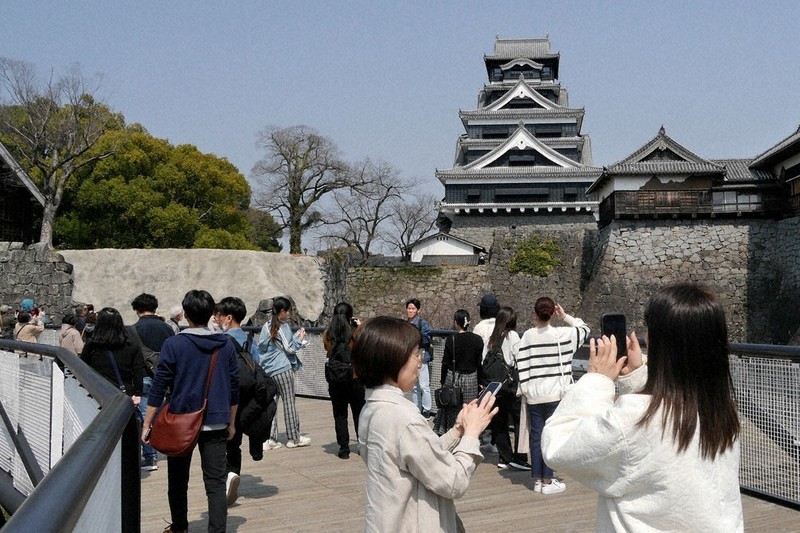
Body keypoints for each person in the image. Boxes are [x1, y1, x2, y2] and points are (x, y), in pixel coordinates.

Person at [542, 283, 743, 531]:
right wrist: (636, 378)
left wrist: (597, 380)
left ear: (657, 341)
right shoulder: (722, 412)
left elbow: (559, 447)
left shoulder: (633, 419)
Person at [353, 316, 498, 532]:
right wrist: (472, 434)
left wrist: (458, 430)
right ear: (393, 359)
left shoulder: (372, 408)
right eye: (415, 354)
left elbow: (420, 456)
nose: (420, 362)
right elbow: (453, 481)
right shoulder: (403, 419)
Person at [141, 290, 239, 533]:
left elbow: (159, 386)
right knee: (215, 483)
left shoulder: (174, 344)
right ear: (210, 315)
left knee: (177, 481)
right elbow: (234, 388)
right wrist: (232, 422)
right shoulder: (225, 344)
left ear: (185, 314)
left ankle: (180, 527)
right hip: (216, 421)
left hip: (180, 421)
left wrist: (147, 423)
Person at [516, 297, 589, 494]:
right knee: (551, 436)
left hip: (534, 394)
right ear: (552, 313)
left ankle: (537, 480)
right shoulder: (561, 334)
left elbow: (520, 361)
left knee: (537, 436)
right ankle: (548, 480)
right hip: (555, 394)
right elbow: (584, 329)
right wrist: (565, 316)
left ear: (535, 313)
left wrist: (527, 387)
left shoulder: (528, 336)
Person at [215, 297, 277, 506]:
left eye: (219, 315)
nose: (216, 318)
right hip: (249, 397)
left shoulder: (222, 341)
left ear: (228, 317)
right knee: (239, 435)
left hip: (228, 399)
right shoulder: (250, 340)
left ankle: (228, 479)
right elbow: (257, 365)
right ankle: (251, 451)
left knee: (229, 442)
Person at [256, 296, 310, 449]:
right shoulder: (282, 326)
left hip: (268, 370)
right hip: (282, 370)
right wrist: (301, 339)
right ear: (282, 312)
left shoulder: (266, 326)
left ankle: (270, 439)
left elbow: (268, 346)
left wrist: (295, 338)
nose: (289, 314)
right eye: (288, 311)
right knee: (289, 403)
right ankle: (294, 438)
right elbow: (289, 348)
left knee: (271, 404)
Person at [131, 292, 175, 472]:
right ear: (155, 308)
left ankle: (150, 457)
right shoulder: (168, 328)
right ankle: (168, 445)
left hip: (144, 377)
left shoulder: (133, 330)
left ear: (136, 310)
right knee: (164, 414)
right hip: (167, 376)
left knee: (145, 416)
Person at [485, 306, 528, 470]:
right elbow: (519, 358)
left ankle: (504, 457)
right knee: (519, 421)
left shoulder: (492, 338)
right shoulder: (513, 336)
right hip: (511, 386)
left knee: (500, 422)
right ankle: (519, 457)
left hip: (496, 386)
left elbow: (484, 361)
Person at [322, 302, 365, 459]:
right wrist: (359, 326)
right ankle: (361, 444)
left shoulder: (328, 334)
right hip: (354, 378)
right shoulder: (354, 333)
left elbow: (327, 349)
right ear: (349, 316)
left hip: (335, 379)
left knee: (340, 414)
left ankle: (343, 448)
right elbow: (361, 345)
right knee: (359, 412)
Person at [433, 309, 483, 436]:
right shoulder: (478, 340)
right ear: (468, 323)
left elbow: (445, 363)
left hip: (453, 377)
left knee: (451, 408)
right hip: (471, 378)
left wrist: (442, 381)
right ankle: (469, 433)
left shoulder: (452, 339)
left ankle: (451, 433)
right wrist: (481, 382)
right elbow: (479, 363)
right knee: (469, 407)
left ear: (456, 323)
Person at [80, 307, 144, 403]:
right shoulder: (131, 345)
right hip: (123, 395)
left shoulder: (92, 346)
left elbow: (83, 370)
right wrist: (137, 393)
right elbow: (138, 373)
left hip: (97, 394)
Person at [405, 298, 433, 418]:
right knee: (414, 385)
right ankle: (417, 408)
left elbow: (427, 339)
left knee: (424, 385)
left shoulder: (422, 323)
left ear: (418, 310)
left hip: (421, 356)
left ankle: (427, 409)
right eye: (409, 308)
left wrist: (415, 336)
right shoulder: (406, 323)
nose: (410, 311)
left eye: (413, 309)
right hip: (410, 356)